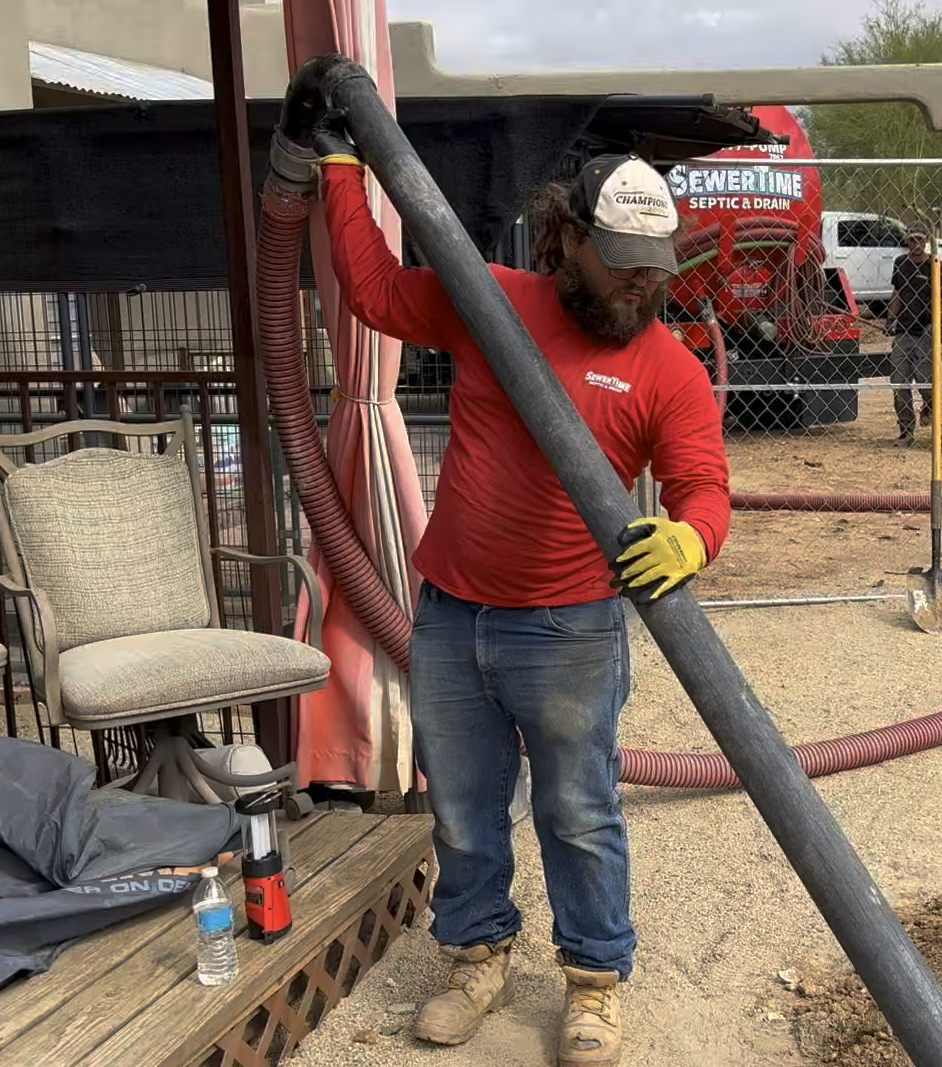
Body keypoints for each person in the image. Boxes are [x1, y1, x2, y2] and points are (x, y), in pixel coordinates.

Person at [311, 126, 731, 1065]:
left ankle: (592, 983)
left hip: (570, 627)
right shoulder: (489, 302)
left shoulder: (667, 369)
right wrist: (344, 176)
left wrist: (691, 535)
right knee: (460, 805)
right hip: (454, 613)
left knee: (578, 811)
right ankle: (476, 956)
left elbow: (704, 487)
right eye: (619, 263)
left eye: (652, 269)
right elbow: (375, 291)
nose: (638, 284)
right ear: (568, 238)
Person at [886, 230, 942, 443]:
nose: (916, 244)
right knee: (899, 382)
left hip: (927, 330)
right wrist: (890, 319)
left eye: (920, 239)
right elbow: (897, 293)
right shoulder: (901, 263)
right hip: (904, 330)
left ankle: (928, 406)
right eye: (912, 240)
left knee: (925, 379)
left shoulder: (935, 264)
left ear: (926, 241)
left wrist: (937, 326)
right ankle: (906, 430)